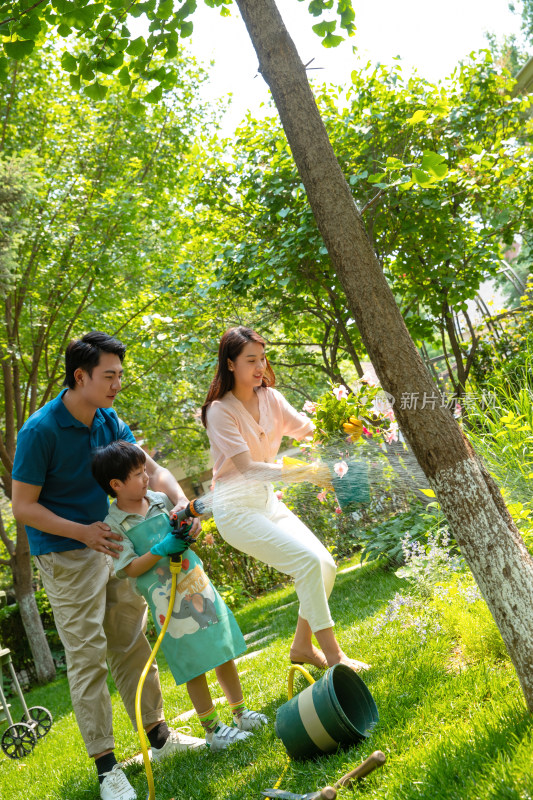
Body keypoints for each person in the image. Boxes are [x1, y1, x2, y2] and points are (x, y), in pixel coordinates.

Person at [11, 332, 205, 800]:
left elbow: (150, 470)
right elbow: (22, 506)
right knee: (86, 656)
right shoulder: (40, 432)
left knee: (129, 641)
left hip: (115, 544)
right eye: (109, 375)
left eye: (120, 374)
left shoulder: (108, 418)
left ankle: (157, 735)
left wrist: (181, 503)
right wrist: (81, 532)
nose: (118, 383)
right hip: (66, 554)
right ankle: (106, 769)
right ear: (81, 377)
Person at [201, 326, 370, 674]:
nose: (260, 366)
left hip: (267, 504)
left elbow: (308, 430)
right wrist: (303, 472)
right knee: (307, 564)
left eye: (262, 358)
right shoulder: (219, 411)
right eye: (251, 360)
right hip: (236, 512)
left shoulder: (271, 399)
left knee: (324, 565)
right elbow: (247, 467)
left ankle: (301, 647)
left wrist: (347, 429)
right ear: (230, 364)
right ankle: (336, 660)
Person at [91, 440, 268, 752]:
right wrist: (160, 550)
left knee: (221, 647)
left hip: (195, 583)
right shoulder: (114, 525)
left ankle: (240, 712)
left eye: (144, 470)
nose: (146, 477)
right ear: (116, 485)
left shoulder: (159, 500)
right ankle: (212, 729)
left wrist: (189, 528)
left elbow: (186, 526)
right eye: (137, 474)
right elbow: (129, 568)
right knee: (193, 662)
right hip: (168, 603)